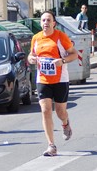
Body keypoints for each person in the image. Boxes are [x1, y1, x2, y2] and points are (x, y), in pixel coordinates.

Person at [28, 10, 78, 157]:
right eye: (43, 20)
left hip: (60, 79)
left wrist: (61, 61)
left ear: (54, 23)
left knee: (61, 112)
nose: (45, 23)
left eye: (48, 20)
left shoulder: (60, 37)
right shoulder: (36, 38)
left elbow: (74, 54)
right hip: (43, 79)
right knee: (45, 110)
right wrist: (31, 59)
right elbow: (32, 55)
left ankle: (65, 123)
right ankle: (51, 145)